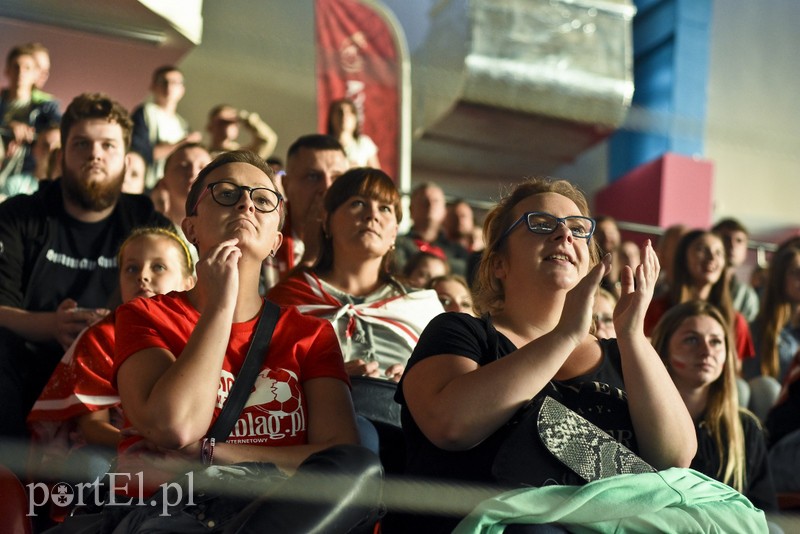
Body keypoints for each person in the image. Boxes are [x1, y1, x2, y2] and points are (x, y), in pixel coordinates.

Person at [392, 177, 696, 532]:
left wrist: (632, 335)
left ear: (589, 263)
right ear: (498, 265)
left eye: (578, 228)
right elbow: (450, 426)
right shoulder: (462, 332)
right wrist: (566, 335)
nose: (564, 234)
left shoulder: (624, 354)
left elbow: (675, 458)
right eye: (541, 224)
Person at [103, 150, 379, 532]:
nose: (247, 202)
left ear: (275, 242)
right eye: (227, 193)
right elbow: (174, 427)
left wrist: (209, 453)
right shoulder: (144, 315)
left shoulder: (310, 335)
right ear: (191, 228)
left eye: (264, 199)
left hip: (277, 517)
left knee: (361, 466)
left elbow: (338, 460)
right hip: (173, 515)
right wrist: (219, 307)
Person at [0, 92, 170, 440]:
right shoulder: (19, 215)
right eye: (82, 144)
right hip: (25, 364)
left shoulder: (147, 222)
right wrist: (53, 325)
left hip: (119, 367)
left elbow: (179, 307)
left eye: (108, 145)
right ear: (62, 156)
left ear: (126, 158)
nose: (95, 154)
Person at [27, 227, 196, 480]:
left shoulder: (203, 334)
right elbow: (93, 427)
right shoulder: (101, 336)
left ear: (189, 282)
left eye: (158, 267)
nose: (143, 277)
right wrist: (144, 444)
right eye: (131, 268)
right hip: (115, 448)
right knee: (91, 467)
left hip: (191, 447)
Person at [269, 167, 443, 383]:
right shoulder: (284, 304)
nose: (372, 215)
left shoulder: (422, 307)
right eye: (357, 203)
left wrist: (413, 386)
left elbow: (448, 389)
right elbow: (265, 385)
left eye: (385, 209)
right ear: (327, 221)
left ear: (394, 233)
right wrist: (327, 382)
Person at [650, 300, 777, 511]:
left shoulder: (746, 428)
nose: (706, 351)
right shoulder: (640, 421)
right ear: (663, 351)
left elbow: (766, 511)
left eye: (716, 341)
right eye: (692, 340)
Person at [644, 229, 755, 363]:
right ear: (683, 258)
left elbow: (735, 371)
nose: (712, 258)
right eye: (702, 249)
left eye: (719, 253)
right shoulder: (655, 310)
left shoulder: (735, 320)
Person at [261, 134, 349, 291]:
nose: (327, 188)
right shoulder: (261, 238)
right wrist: (310, 258)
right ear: (286, 186)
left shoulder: (358, 240)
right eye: (313, 177)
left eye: (337, 178)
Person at [745, 238, 800, 419]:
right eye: (796, 273)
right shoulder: (757, 330)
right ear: (780, 277)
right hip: (775, 416)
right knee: (765, 387)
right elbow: (758, 388)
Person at [130, 65, 202, 189]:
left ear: (182, 90)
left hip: (171, 188)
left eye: (174, 83)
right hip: (147, 186)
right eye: (163, 82)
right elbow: (140, 153)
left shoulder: (182, 124)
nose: (168, 87)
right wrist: (182, 143)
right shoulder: (145, 113)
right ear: (153, 86)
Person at [0, 44, 61, 180]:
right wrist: (8, 126)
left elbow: (62, 132)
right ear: (7, 70)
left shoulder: (46, 109)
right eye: (16, 66)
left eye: (27, 68)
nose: (21, 72)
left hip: (29, 177)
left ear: (35, 75)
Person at [150, 142, 212, 265]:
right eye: (183, 166)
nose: (193, 172)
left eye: (202, 167)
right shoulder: (150, 233)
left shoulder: (226, 233)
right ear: (163, 182)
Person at [395, 182, 470, 277]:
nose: (430, 205)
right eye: (424, 201)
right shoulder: (397, 245)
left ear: (444, 210)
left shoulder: (459, 252)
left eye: (436, 201)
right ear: (411, 209)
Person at [713, 218, 760, 322]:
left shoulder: (747, 295)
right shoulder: (699, 285)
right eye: (725, 239)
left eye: (739, 241)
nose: (732, 246)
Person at [206, 103, 278, 159]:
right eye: (222, 122)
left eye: (233, 122)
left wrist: (247, 119)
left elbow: (267, 140)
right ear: (210, 127)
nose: (227, 126)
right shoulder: (203, 153)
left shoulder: (241, 155)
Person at [326, 98, 380, 168]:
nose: (344, 116)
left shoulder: (364, 143)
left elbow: (377, 175)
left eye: (349, 112)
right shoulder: (324, 147)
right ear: (331, 117)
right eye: (340, 112)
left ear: (355, 119)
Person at [594, 215, 622, 297]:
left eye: (611, 233)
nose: (607, 237)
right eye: (601, 233)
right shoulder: (589, 268)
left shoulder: (627, 264)